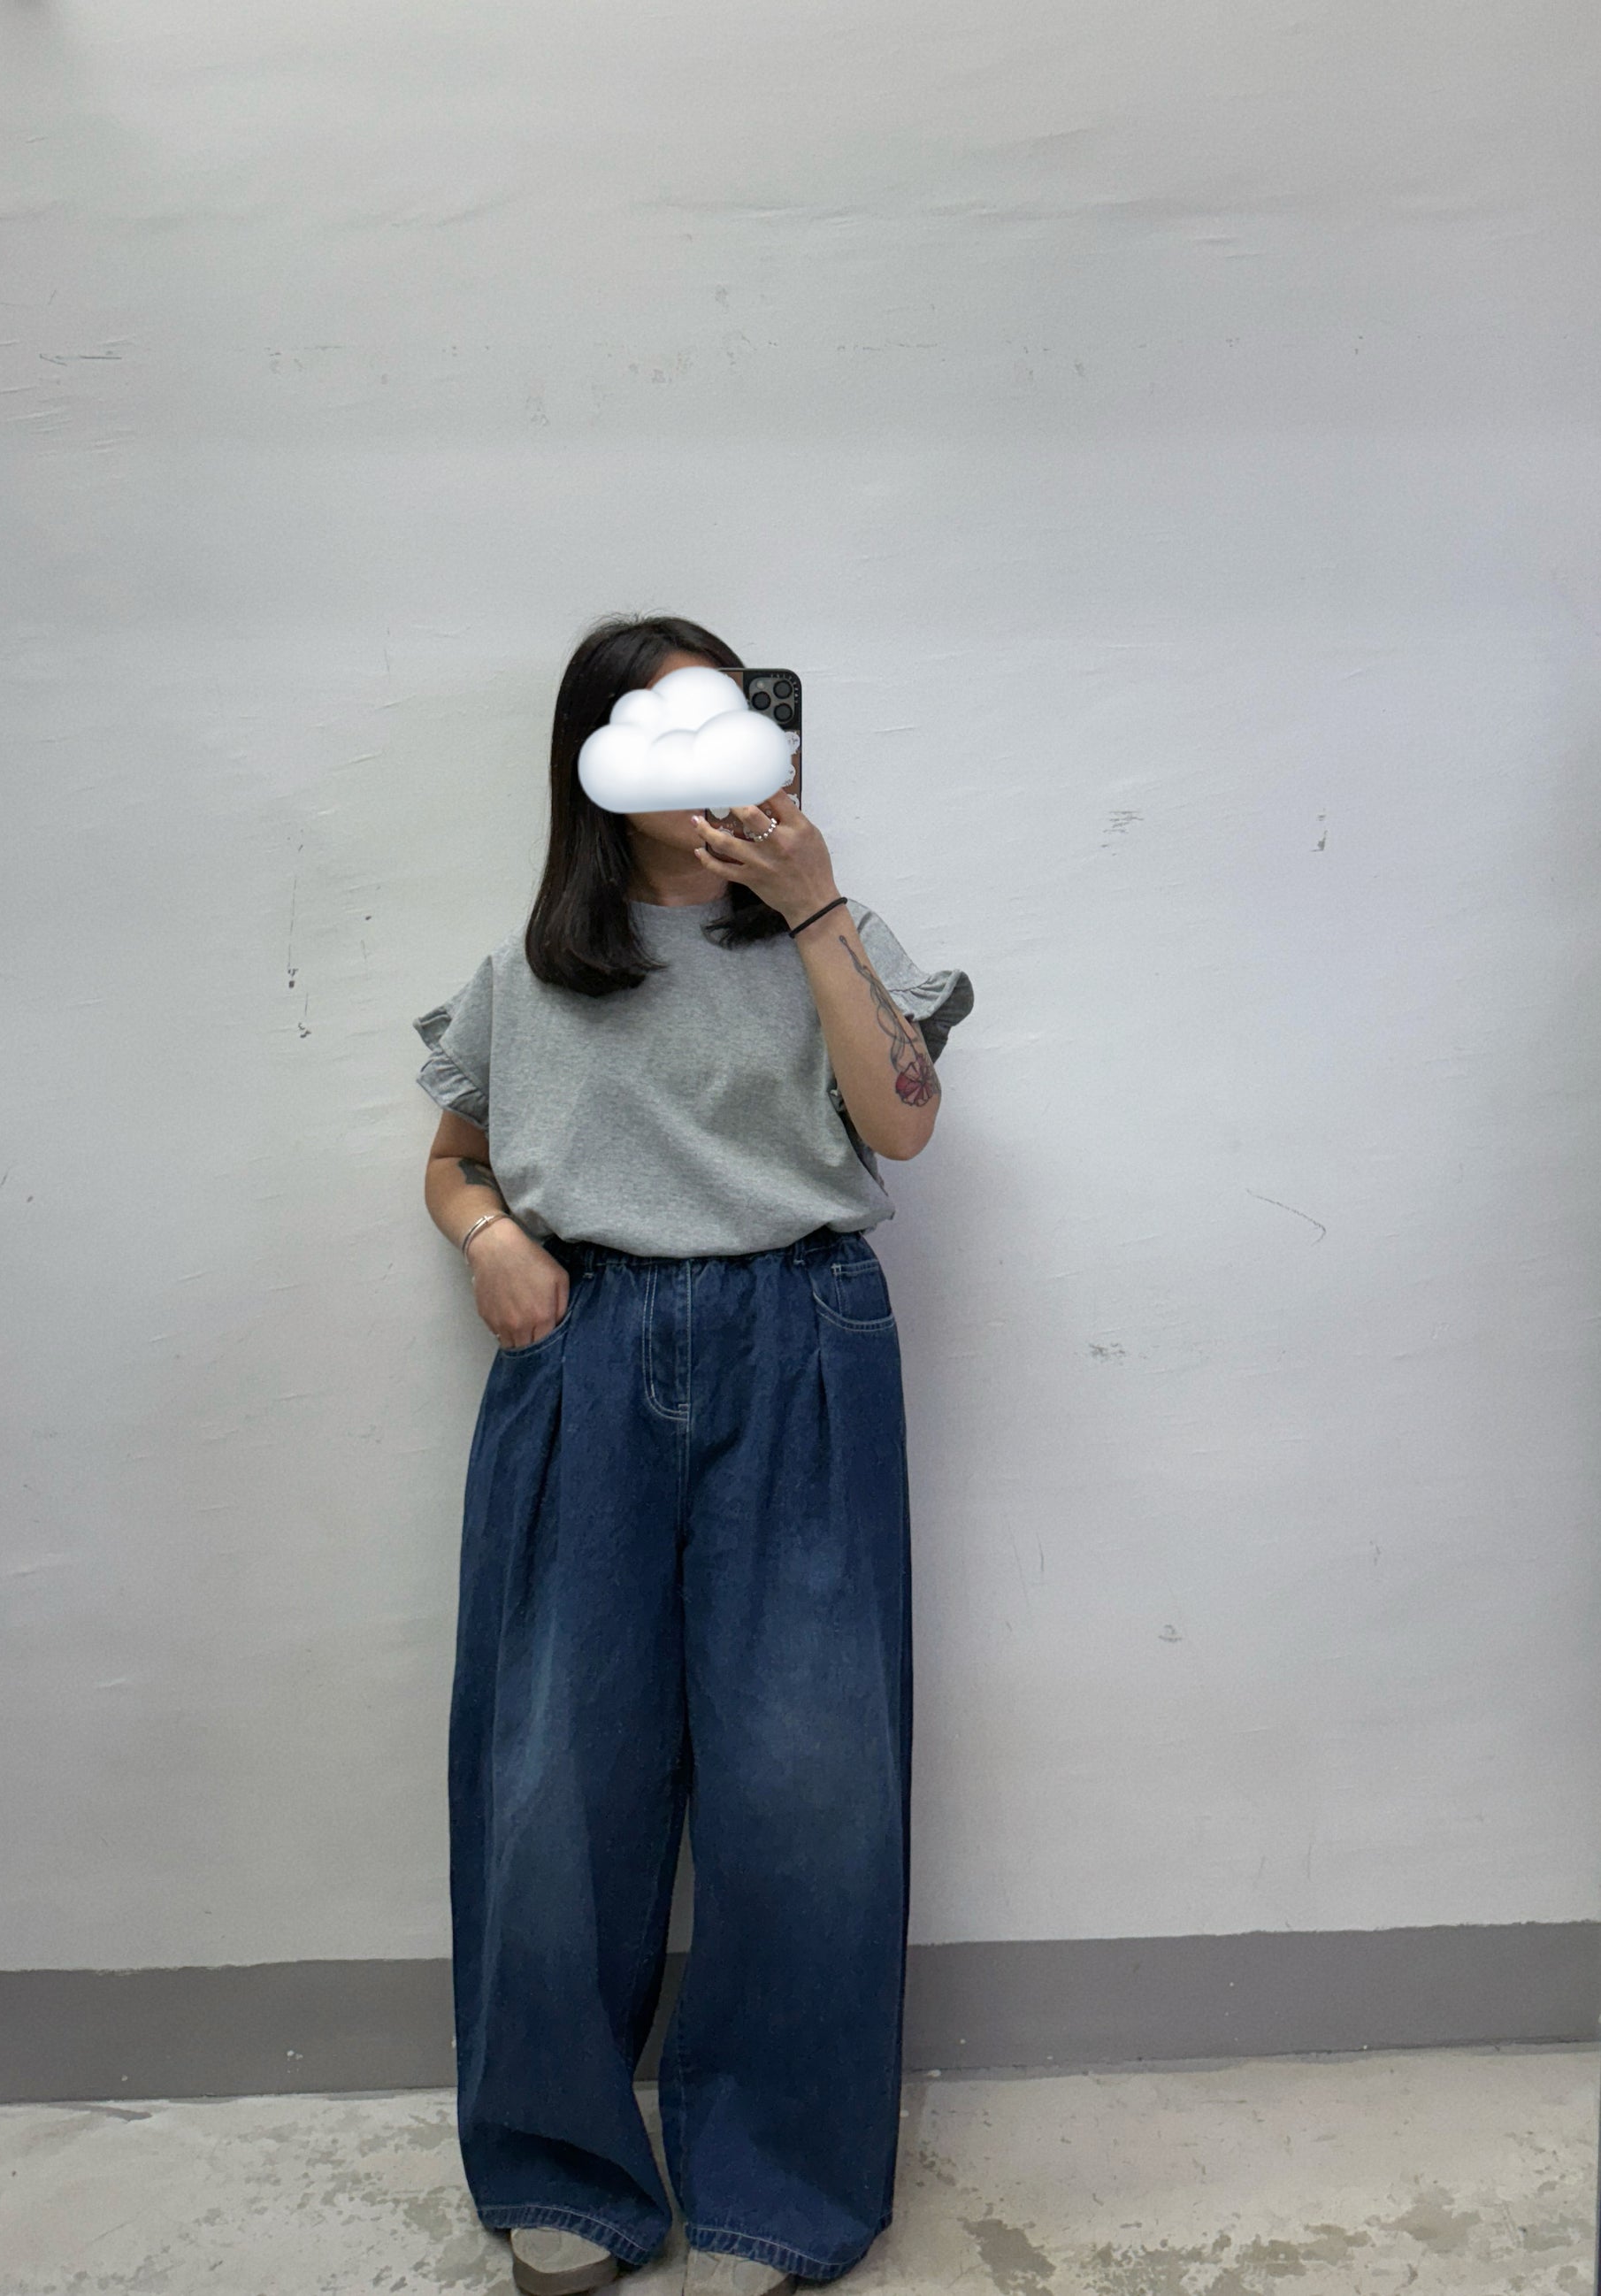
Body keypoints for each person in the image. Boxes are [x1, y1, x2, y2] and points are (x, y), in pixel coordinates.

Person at [413, 614, 975, 2296]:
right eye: (662, 729)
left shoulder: (836, 932)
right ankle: (562, 2166)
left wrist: (811, 904)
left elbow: (901, 1123)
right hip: (581, 1351)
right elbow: (451, 1156)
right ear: (592, 757)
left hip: (798, 1336)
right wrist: (489, 1236)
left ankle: (773, 2182)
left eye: (726, 720)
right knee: (554, 1777)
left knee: (805, 1781)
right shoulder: (528, 976)